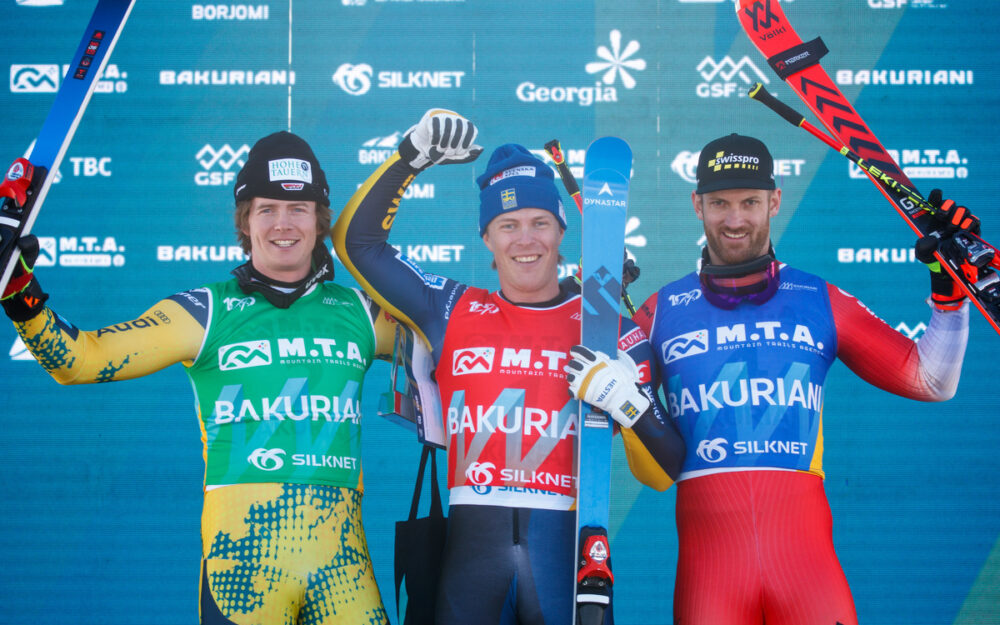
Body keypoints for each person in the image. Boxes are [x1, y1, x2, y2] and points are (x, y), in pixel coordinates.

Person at [566, 133, 973, 625]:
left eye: (750, 202)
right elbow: (655, 473)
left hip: (808, 574)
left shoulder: (819, 298)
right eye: (719, 203)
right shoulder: (661, 311)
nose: (734, 219)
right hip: (710, 575)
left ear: (775, 201)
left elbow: (932, 382)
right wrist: (585, 321)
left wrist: (951, 297)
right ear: (697, 205)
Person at [0, 132, 397, 625]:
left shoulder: (360, 311)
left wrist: (409, 159)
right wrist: (19, 292)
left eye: (298, 208)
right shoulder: (205, 310)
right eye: (266, 209)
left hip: (343, 573)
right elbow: (80, 360)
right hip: (244, 575)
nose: (282, 224)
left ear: (320, 221)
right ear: (245, 221)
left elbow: (456, 348)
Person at [332, 109, 685, 625]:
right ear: (487, 240)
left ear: (562, 231)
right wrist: (409, 159)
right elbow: (356, 245)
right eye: (508, 225)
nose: (526, 239)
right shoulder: (448, 308)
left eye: (540, 223)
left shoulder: (610, 331)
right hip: (470, 558)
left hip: (564, 558)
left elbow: (662, 472)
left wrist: (630, 403)